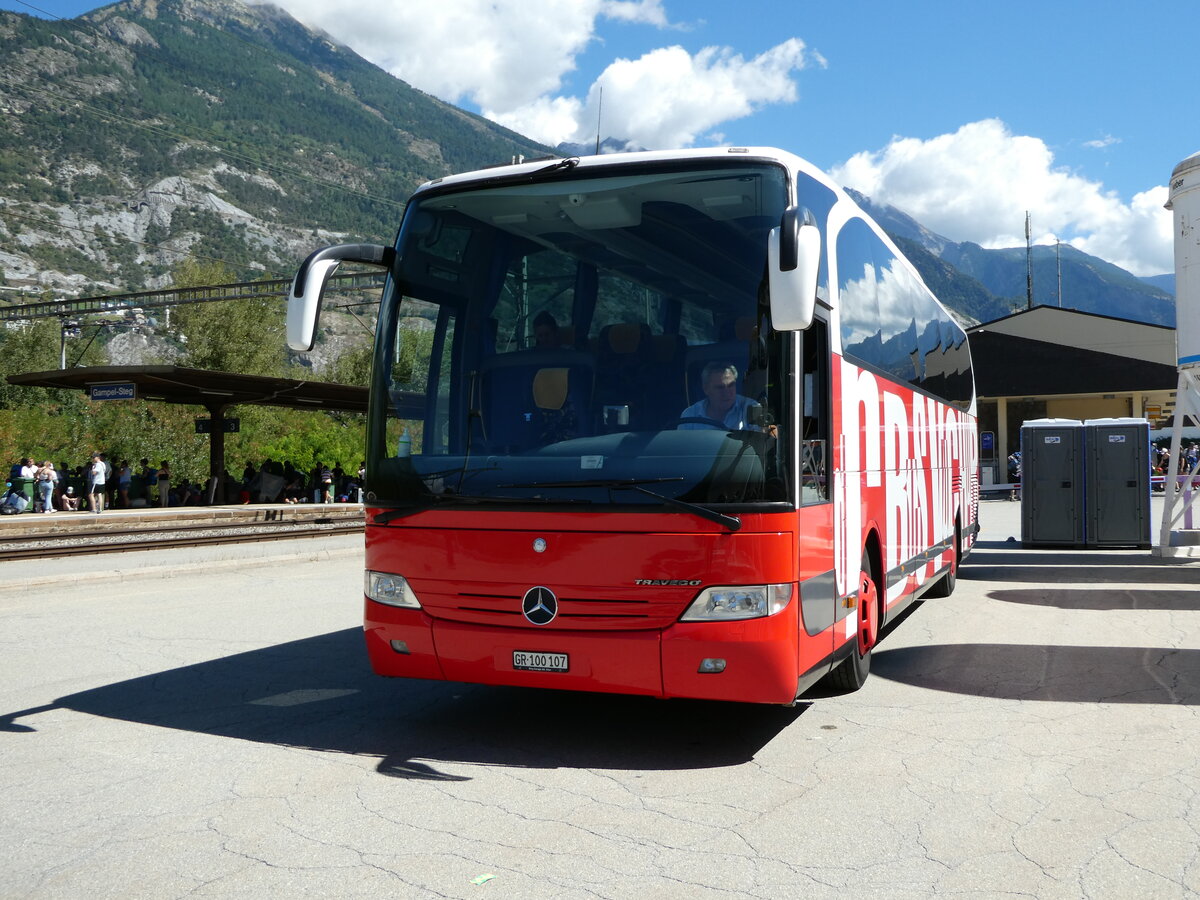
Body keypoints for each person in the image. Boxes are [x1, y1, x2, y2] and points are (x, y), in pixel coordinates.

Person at [678, 362, 761, 431]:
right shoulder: (690, 415)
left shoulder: (750, 408)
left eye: (731, 385)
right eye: (720, 387)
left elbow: (759, 445)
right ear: (706, 389)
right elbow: (682, 449)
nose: (727, 392)